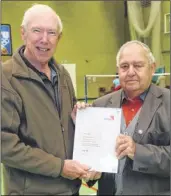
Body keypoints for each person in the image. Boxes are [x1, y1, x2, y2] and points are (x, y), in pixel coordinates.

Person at [1, 4, 100, 195]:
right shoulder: (6, 78)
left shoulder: (62, 75)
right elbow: (5, 145)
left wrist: (78, 119)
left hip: (70, 188)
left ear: (59, 38)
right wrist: (59, 167)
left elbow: (62, 129)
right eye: (36, 30)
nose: (44, 39)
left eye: (52, 33)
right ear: (23, 33)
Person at [75, 40, 170, 195]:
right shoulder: (101, 105)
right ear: (118, 70)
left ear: (152, 68)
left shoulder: (168, 103)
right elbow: (94, 158)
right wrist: (92, 170)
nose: (130, 72)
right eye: (125, 66)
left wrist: (138, 151)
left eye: (138, 65)